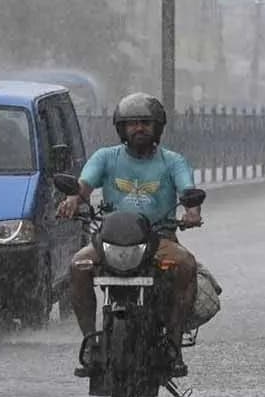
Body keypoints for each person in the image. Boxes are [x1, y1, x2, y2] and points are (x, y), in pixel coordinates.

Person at [56, 92, 201, 377]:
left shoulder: (173, 161)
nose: (139, 128)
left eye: (145, 123)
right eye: (132, 123)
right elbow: (83, 186)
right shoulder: (105, 157)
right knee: (78, 266)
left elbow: (188, 190)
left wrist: (192, 211)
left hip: (159, 239)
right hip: (109, 241)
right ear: (121, 128)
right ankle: (91, 342)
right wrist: (73, 200)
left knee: (186, 265)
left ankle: (174, 345)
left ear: (157, 127)